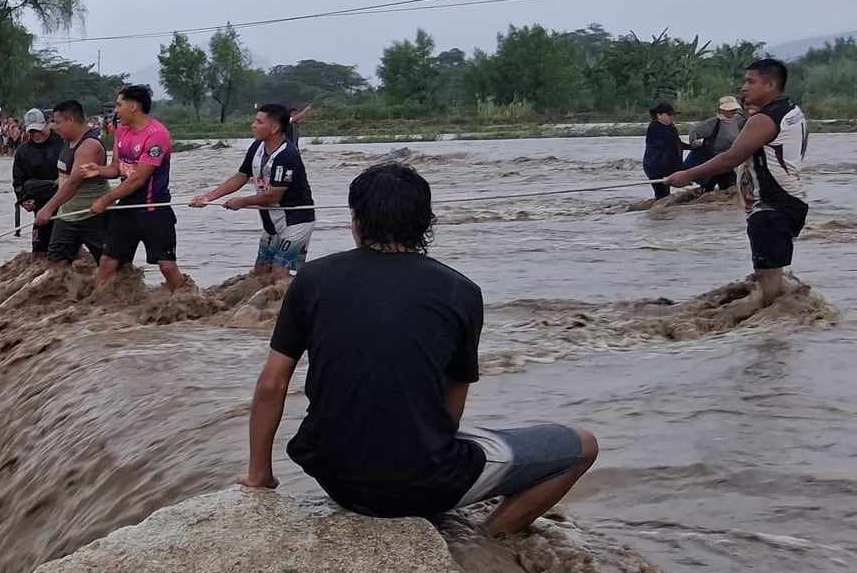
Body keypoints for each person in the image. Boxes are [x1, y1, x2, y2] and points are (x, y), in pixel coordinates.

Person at [244, 162, 600, 535]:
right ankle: (486, 538)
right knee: (582, 446)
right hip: (422, 485)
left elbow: (272, 384)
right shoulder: (461, 291)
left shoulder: (313, 279)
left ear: (358, 221)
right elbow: (451, 409)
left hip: (335, 478)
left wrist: (260, 474)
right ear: (426, 222)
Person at [667, 58, 809, 305]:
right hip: (789, 200)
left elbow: (732, 157)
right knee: (770, 271)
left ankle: (773, 334)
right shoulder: (792, 111)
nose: (744, 87)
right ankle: (782, 326)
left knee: (768, 277)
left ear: (770, 85)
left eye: (750, 81)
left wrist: (686, 175)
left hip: (770, 205)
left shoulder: (764, 120)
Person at [84, 84, 191, 291]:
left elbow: (138, 179)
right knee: (107, 263)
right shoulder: (121, 131)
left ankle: (187, 302)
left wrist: (105, 200)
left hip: (153, 209)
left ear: (133, 107)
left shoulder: (157, 135)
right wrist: (98, 170)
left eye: (119, 104)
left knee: (167, 267)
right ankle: (93, 305)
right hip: (126, 209)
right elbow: (117, 168)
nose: (116, 110)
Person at [192, 103, 315, 281]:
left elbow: (274, 195)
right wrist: (208, 197)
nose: (253, 125)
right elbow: (241, 176)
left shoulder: (287, 155)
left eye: (259, 122)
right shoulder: (256, 147)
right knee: (261, 272)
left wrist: (242, 202)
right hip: (271, 220)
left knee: (281, 273)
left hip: (296, 220)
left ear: (274, 127)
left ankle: (289, 307)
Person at [34, 99, 109, 269]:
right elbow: (64, 178)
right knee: (55, 266)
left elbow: (73, 183)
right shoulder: (67, 141)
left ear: (71, 121)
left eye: (58, 122)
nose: (56, 127)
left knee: (110, 268)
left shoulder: (90, 145)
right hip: (67, 217)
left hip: (93, 215)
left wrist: (48, 208)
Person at [12, 107, 65, 256]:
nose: (36, 134)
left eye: (39, 130)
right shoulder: (23, 151)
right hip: (40, 208)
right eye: (32, 131)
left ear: (48, 123)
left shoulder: (64, 142)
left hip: (66, 205)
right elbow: (18, 181)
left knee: (69, 251)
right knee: (39, 254)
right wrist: (23, 200)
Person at [684, 96, 744, 191]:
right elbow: (695, 132)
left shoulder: (738, 120)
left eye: (733, 109)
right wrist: (694, 142)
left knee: (731, 186)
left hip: (728, 161)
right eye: (729, 109)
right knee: (708, 186)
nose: (732, 111)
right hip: (713, 160)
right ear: (721, 110)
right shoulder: (714, 122)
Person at [642, 102, 687, 200]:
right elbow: (672, 142)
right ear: (659, 115)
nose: (671, 117)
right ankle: (659, 213)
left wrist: (693, 146)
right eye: (669, 115)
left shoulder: (669, 128)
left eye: (672, 115)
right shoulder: (655, 127)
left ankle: (664, 214)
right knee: (662, 195)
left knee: (664, 194)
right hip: (655, 167)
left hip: (666, 165)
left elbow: (677, 143)